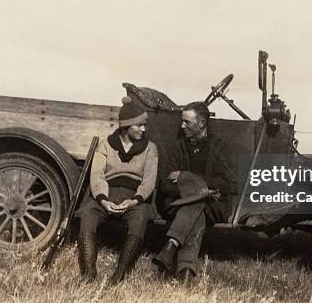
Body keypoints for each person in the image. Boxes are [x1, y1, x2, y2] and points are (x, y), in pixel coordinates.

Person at [76, 96, 158, 284]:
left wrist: (135, 200)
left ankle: (118, 276)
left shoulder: (150, 149)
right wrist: (104, 200)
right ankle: (89, 272)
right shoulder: (105, 145)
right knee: (88, 214)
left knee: (139, 220)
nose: (144, 129)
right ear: (126, 126)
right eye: (139, 125)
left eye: (144, 125)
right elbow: (97, 175)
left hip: (134, 198)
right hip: (107, 194)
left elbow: (149, 180)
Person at [152, 101, 236, 281]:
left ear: (202, 123)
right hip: (180, 203)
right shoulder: (177, 148)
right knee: (198, 204)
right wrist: (201, 189)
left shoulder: (219, 148)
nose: (182, 126)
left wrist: (185, 177)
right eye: (182, 121)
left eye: (187, 122)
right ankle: (186, 271)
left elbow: (225, 183)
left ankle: (172, 244)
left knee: (198, 203)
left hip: (213, 205)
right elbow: (166, 184)